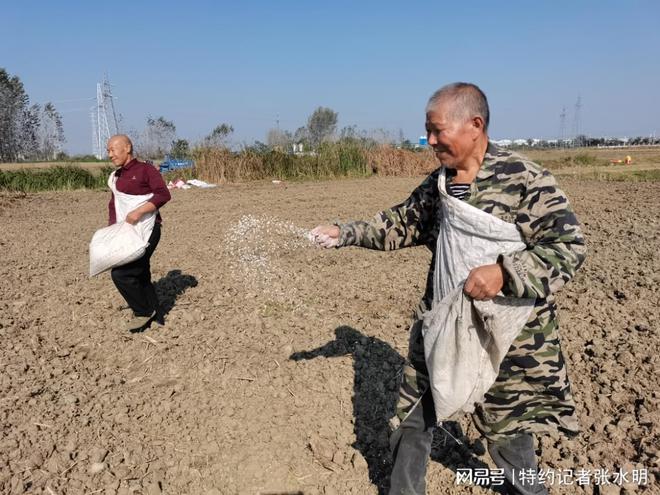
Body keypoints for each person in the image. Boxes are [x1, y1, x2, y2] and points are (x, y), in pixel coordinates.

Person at [311, 82, 586, 495]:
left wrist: (503, 274)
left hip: (506, 334)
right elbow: (401, 223)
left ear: (475, 125)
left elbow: (569, 247)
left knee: (507, 433)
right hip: (444, 321)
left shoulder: (525, 181)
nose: (431, 141)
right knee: (414, 414)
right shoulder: (439, 186)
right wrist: (344, 231)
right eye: (429, 131)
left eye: (437, 130)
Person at [106, 134, 171, 331]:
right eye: (108, 151)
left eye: (112, 149)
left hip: (148, 229)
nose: (109, 155)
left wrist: (139, 211)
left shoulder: (146, 170)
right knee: (141, 273)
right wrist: (112, 231)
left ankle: (142, 312)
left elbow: (163, 194)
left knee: (122, 274)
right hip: (127, 232)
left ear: (127, 148)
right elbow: (114, 205)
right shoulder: (117, 176)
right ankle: (156, 314)